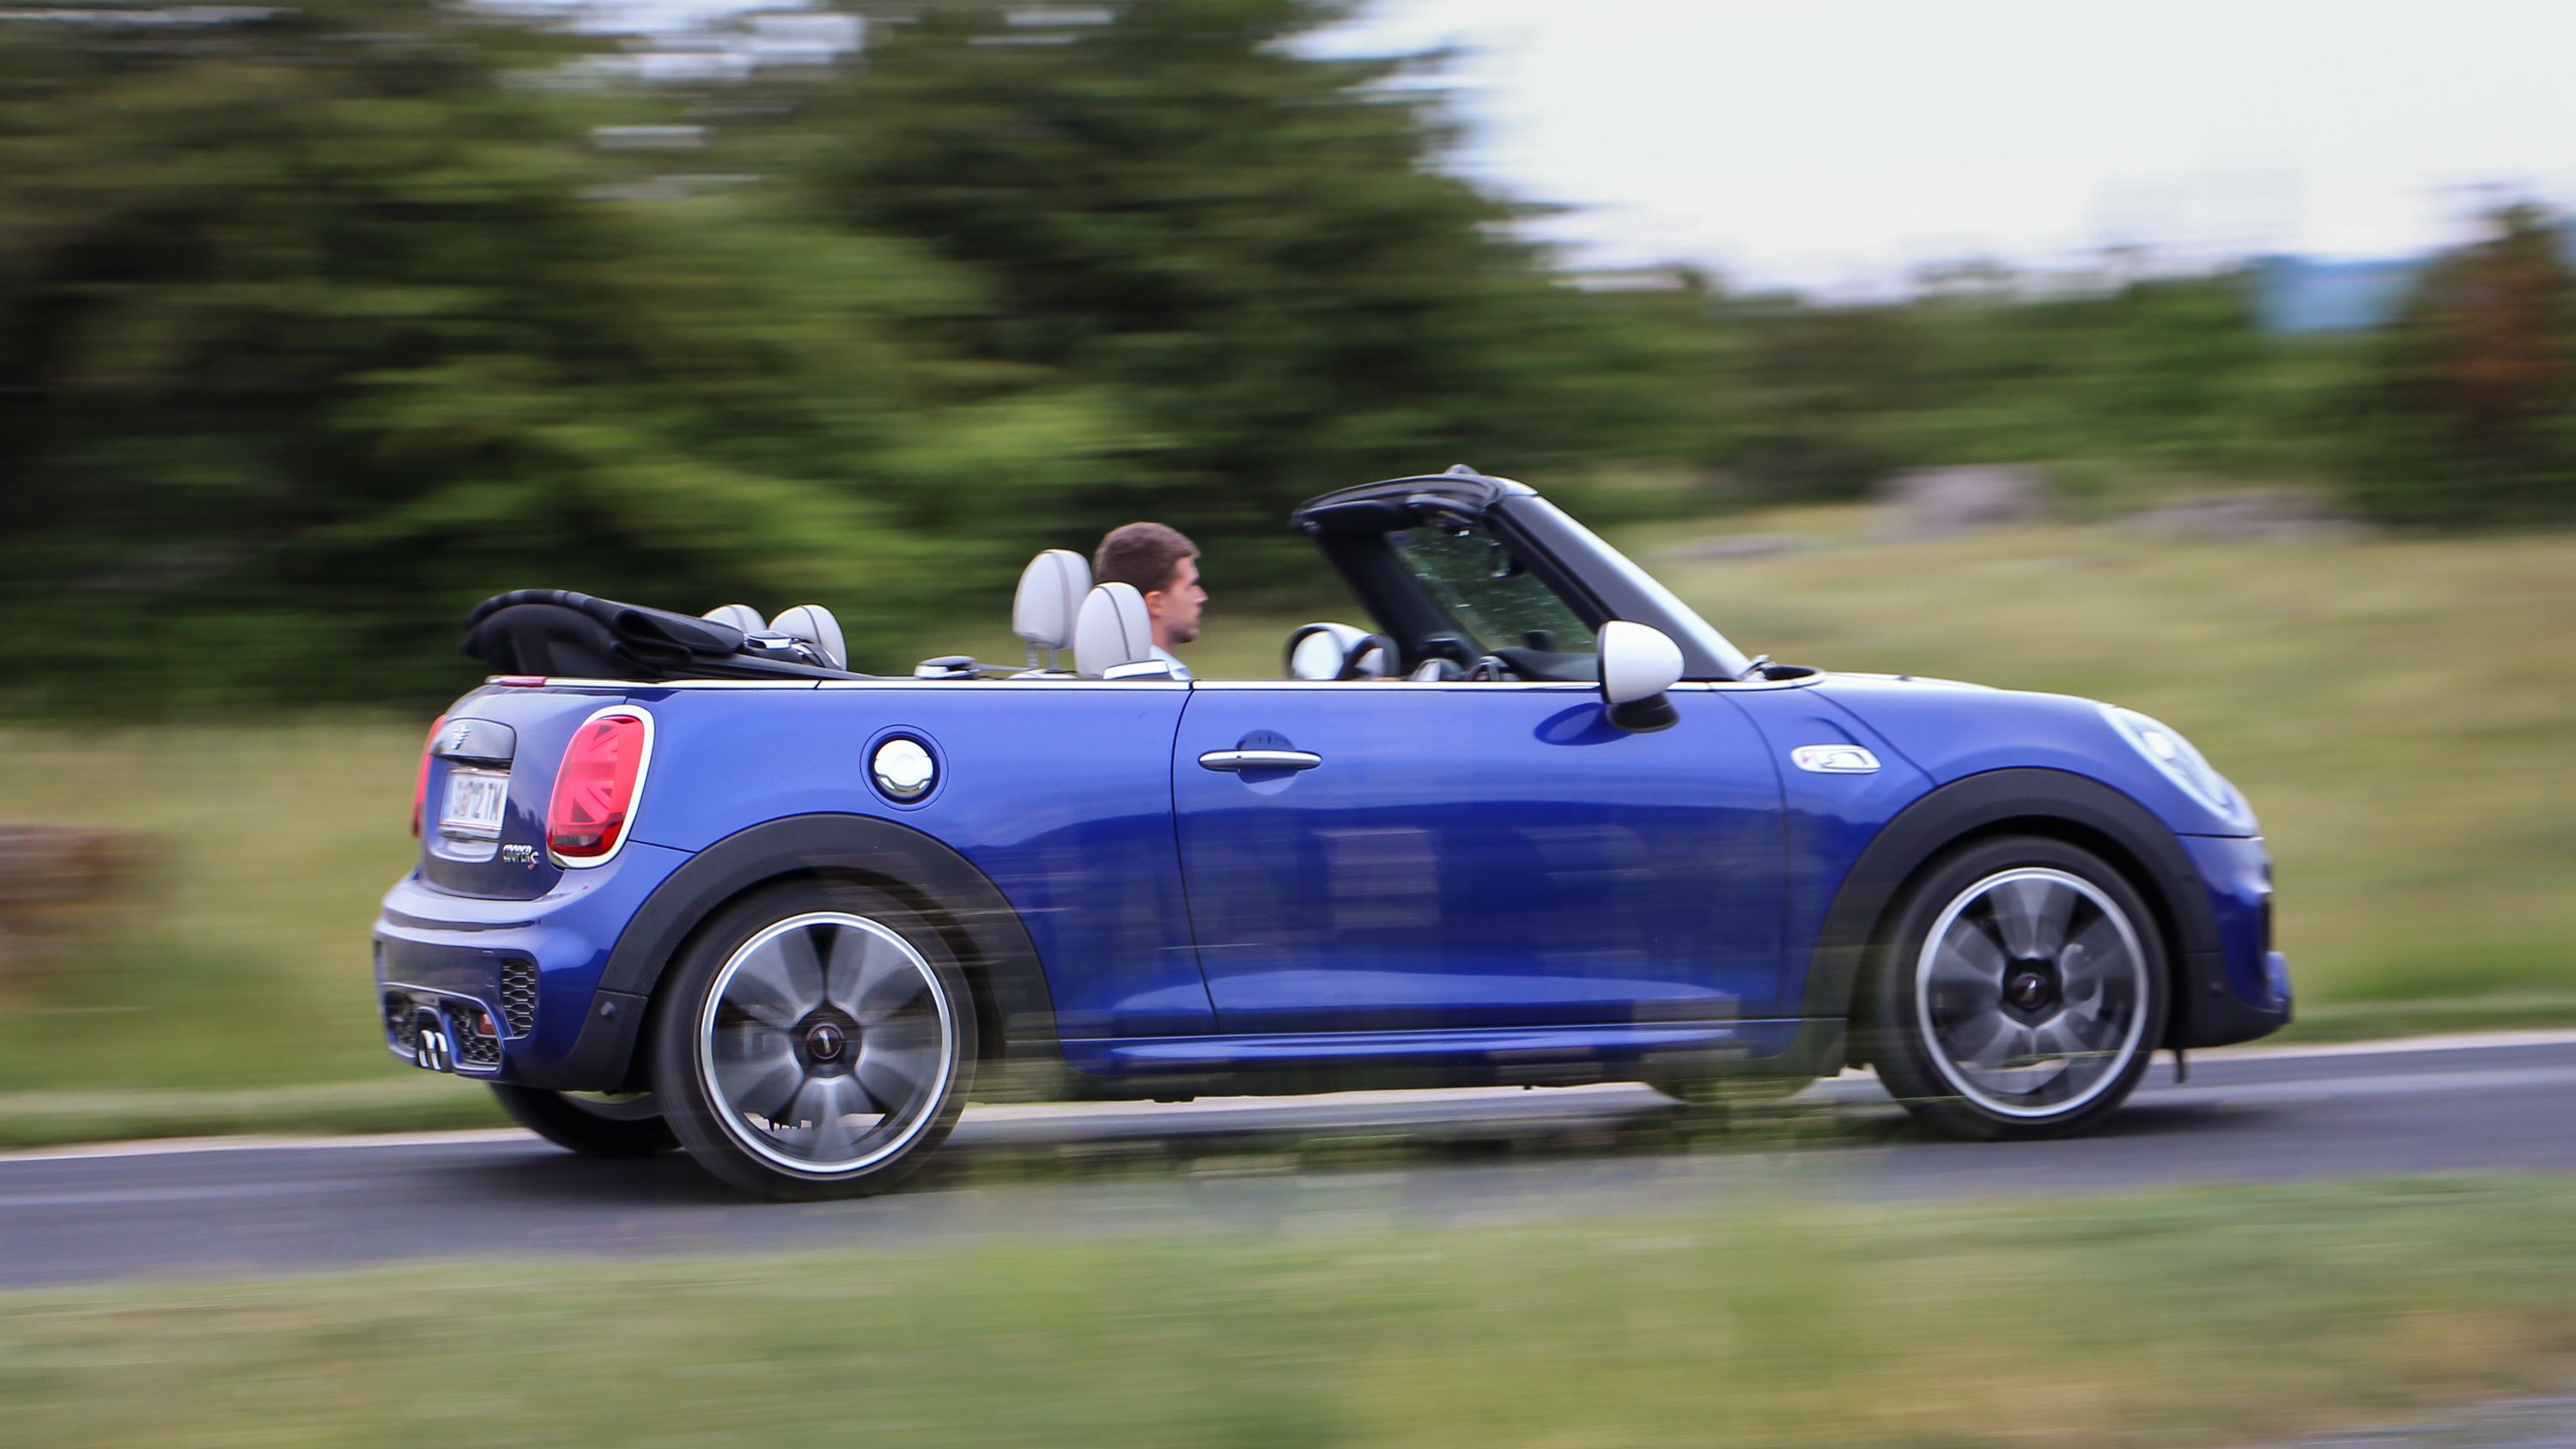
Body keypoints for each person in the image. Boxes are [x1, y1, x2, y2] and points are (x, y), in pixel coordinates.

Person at [1092, 521, 1205, 680]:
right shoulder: (1169, 687)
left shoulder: (1098, 681)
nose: (1201, 597)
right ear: (1156, 603)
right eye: (1190, 586)